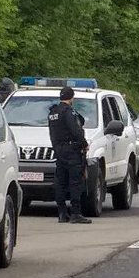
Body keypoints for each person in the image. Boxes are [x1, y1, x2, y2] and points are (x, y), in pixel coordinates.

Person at [48, 86, 91, 224]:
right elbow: (76, 131)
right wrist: (84, 144)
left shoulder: (53, 112)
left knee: (60, 181)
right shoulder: (69, 112)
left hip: (59, 150)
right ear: (71, 97)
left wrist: (56, 147)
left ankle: (62, 213)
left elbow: (52, 133)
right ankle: (76, 214)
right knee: (75, 182)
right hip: (71, 150)